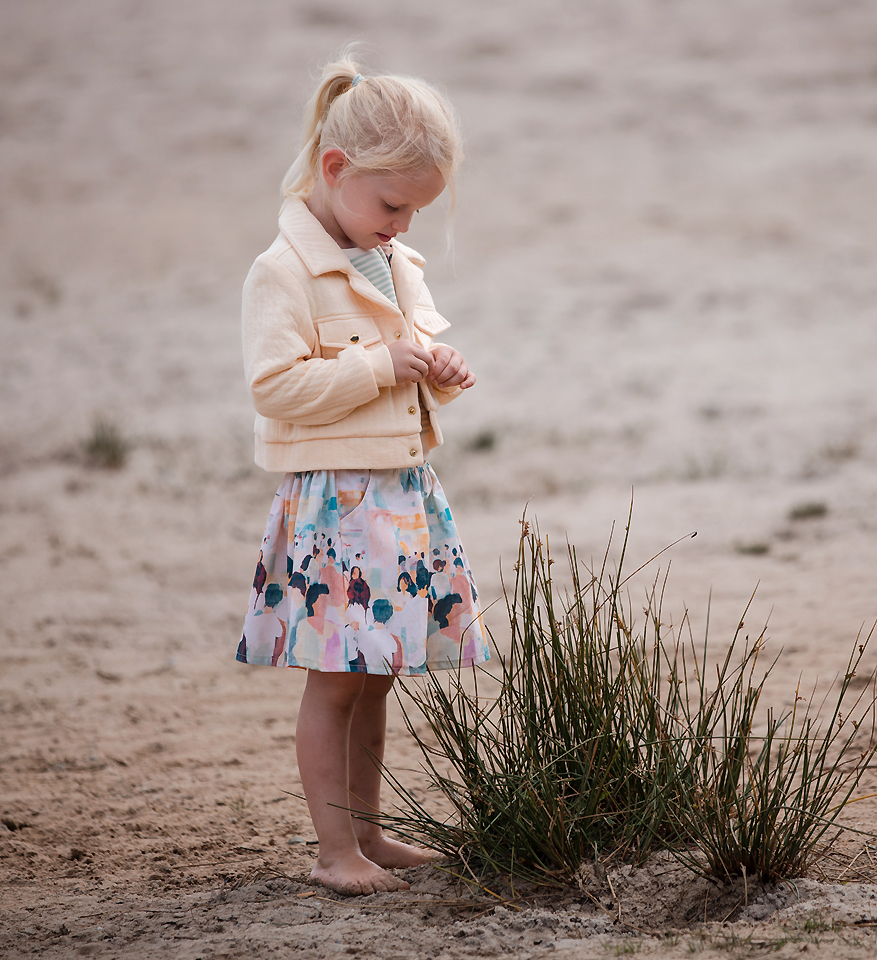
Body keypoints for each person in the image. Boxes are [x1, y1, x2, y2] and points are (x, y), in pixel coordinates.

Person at [235, 51, 489, 895]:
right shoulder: (283, 272)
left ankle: (369, 834)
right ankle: (332, 850)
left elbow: (404, 366)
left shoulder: (393, 263)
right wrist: (380, 365)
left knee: (377, 676)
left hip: (399, 495)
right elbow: (275, 387)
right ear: (336, 167)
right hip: (334, 508)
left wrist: (436, 370)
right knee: (336, 682)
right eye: (393, 205)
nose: (404, 225)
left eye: (416, 209)